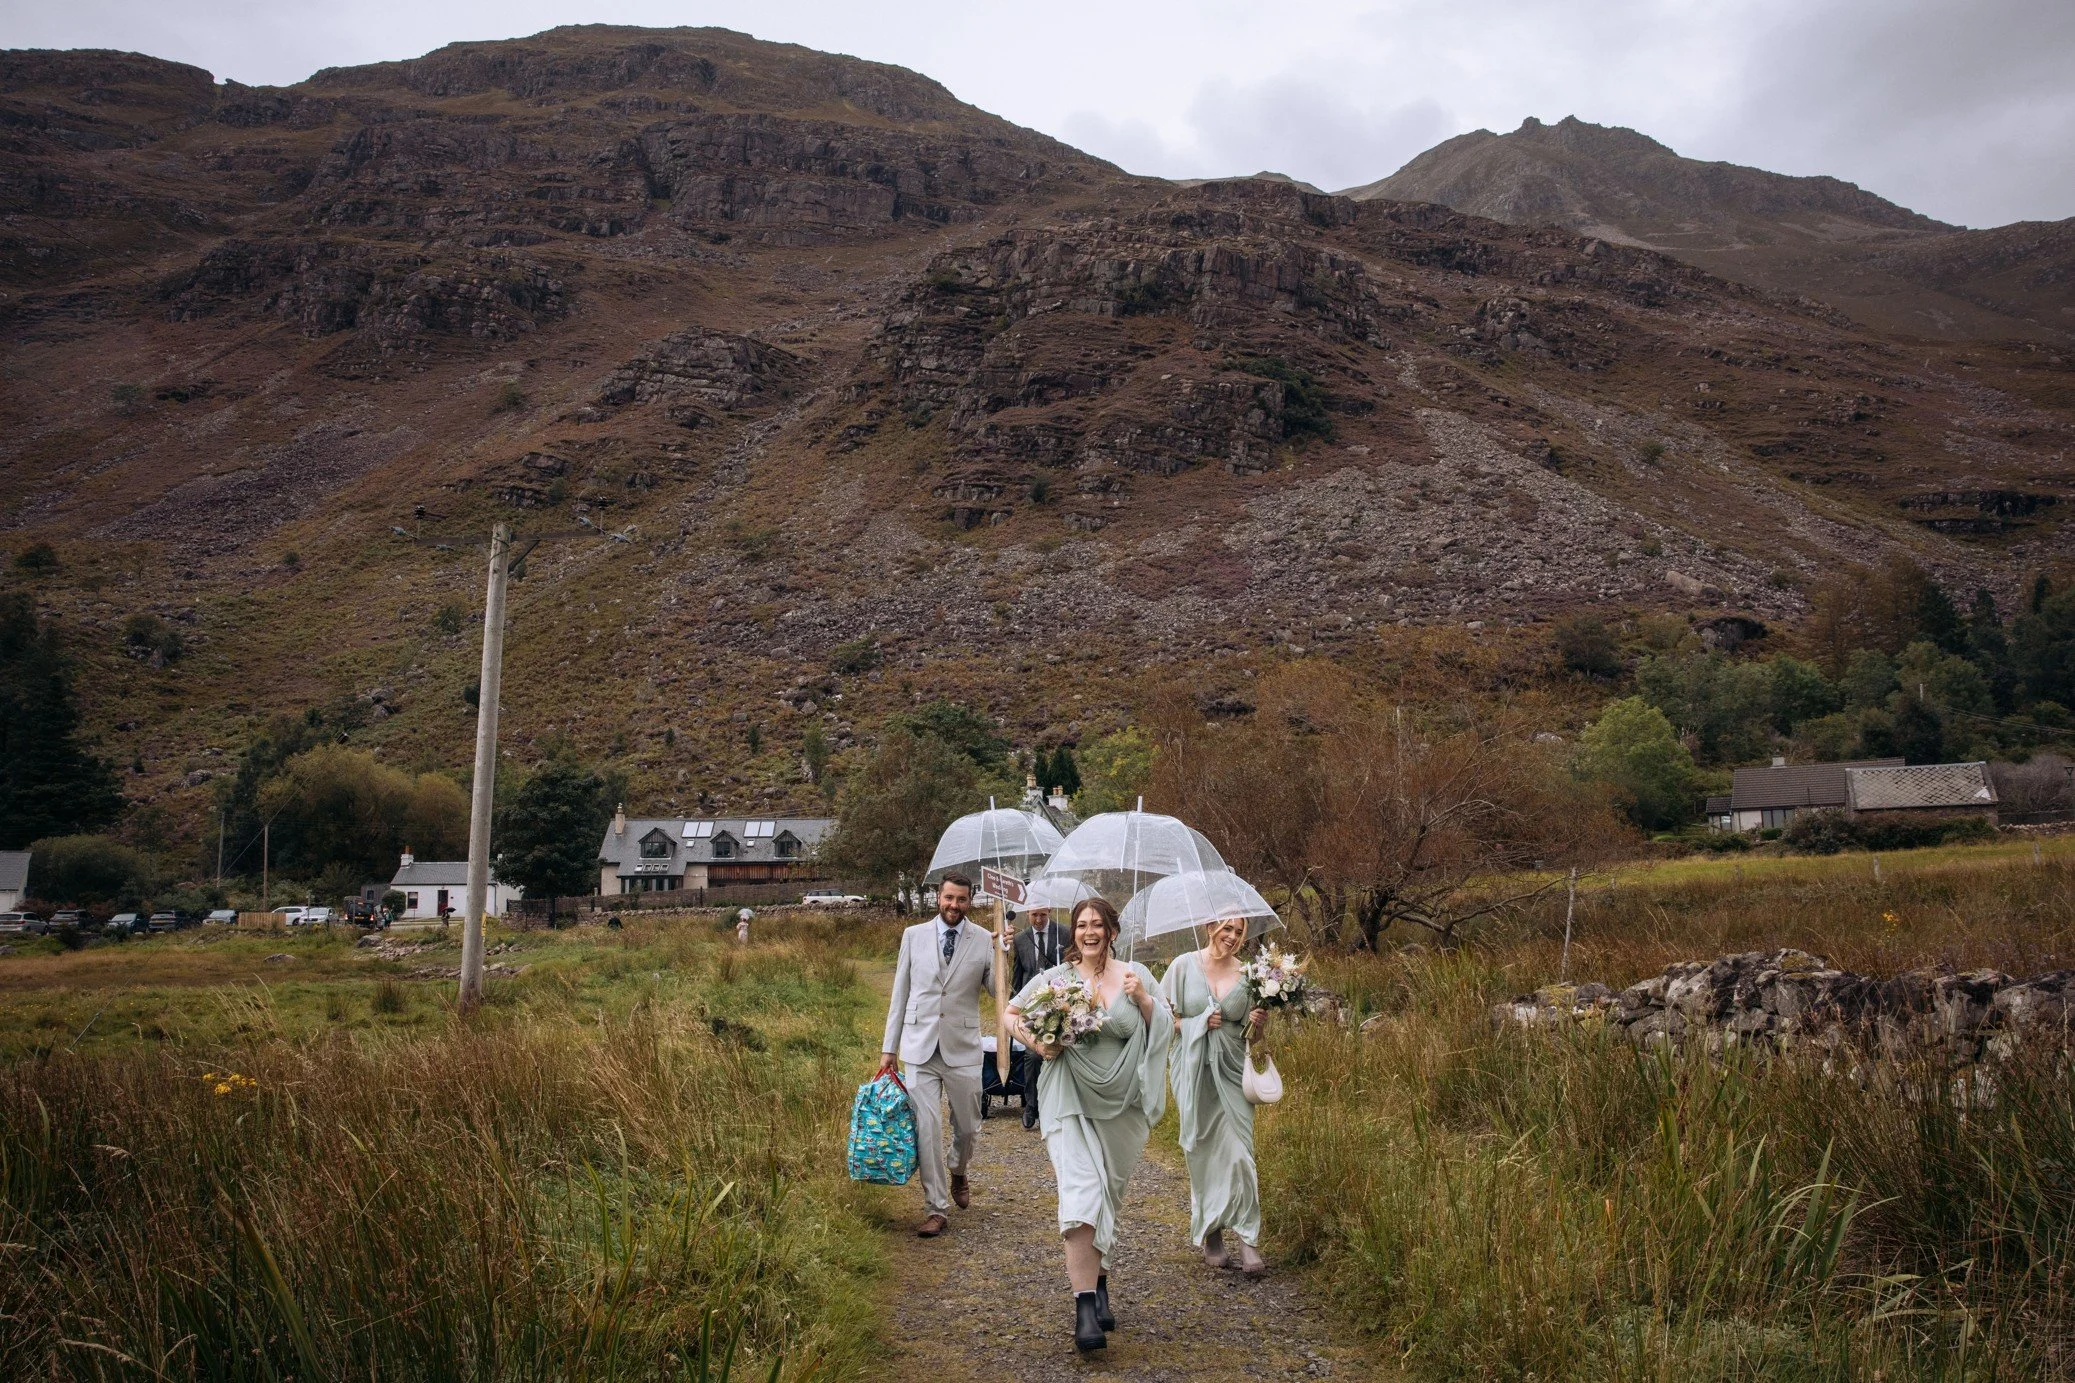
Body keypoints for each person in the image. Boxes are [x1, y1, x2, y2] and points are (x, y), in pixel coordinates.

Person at [1006, 897, 1172, 1353]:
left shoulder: (1136, 976)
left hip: (1122, 1104)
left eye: (1098, 924)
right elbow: (1011, 1014)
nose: (1090, 931)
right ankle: (1084, 1309)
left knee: (1107, 1197)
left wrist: (1142, 1000)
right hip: (1067, 1096)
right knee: (1082, 1193)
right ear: (1073, 932)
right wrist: (1037, 1045)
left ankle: (1099, 1284)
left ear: (1112, 931)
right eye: (1082, 924)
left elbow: (1169, 1028)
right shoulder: (1055, 979)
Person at [877, 873, 993, 1238]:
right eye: (948, 898)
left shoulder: (985, 940)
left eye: (961, 899)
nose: (953, 905)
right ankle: (935, 1208)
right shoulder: (913, 936)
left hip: (962, 1047)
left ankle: (959, 1169)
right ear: (937, 897)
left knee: (968, 1125)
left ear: (969, 901)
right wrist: (889, 1048)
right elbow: (900, 993)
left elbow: (996, 989)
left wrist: (1004, 955)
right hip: (919, 1048)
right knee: (927, 1128)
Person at [1159, 915, 1270, 1276]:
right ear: (1210, 927)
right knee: (1203, 1154)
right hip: (1193, 1074)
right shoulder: (1182, 966)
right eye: (1227, 929)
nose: (1233, 937)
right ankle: (1211, 1233)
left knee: (1241, 1155)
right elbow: (1162, 1020)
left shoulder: (1251, 974)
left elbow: (1253, 1039)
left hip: (1233, 1072)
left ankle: (1248, 1239)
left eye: (1239, 932)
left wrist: (1258, 1024)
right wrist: (1195, 1022)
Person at [1011, 905, 1069, 1129]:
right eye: (1034, 915)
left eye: (1042, 915)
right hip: (1030, 1005)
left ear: (1050, 911)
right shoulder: (1021, 939)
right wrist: (1014, 1002)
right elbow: (1018, 974)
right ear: (1027, 914)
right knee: (1033, 1055)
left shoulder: (1064, 933)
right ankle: (1031, 1106)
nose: (1038, 920)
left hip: (1059, 1002)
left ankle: (1056, 1106)